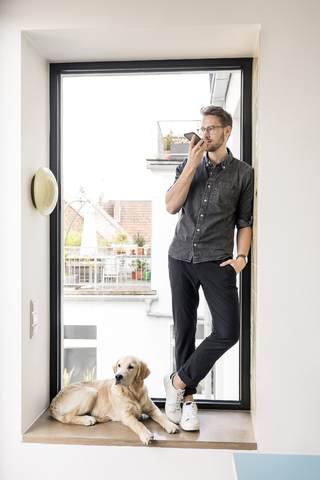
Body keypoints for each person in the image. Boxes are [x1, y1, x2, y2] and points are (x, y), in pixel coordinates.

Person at [163, 105, 254, 431]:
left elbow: (245, 222)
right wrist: (190, 164)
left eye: (212, 128)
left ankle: (176, 382)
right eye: (203, 128)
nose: (205, 134)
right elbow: (172, 205)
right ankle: (187, 401)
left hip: (217, 261)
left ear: (227, 130)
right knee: (184, 329)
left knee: (228, 331)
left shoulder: (243, 173)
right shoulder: (189, 165)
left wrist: (241, 258)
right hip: (180, 257)